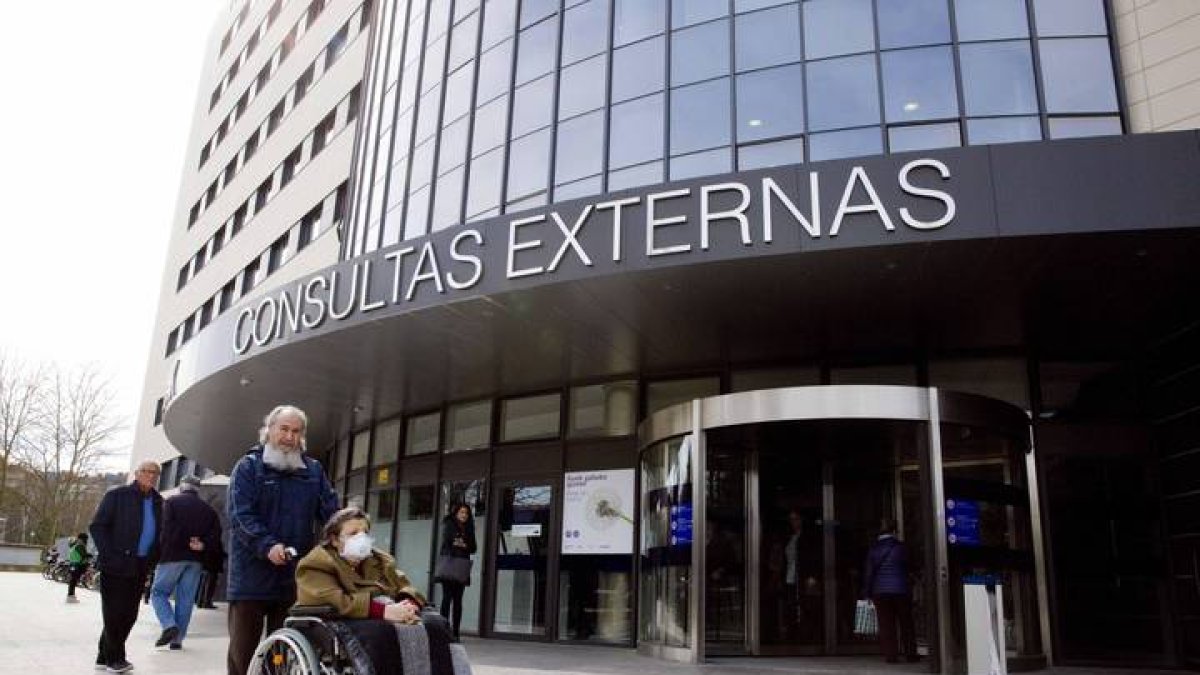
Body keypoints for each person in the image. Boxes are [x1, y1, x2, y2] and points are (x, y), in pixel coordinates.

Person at [226, 404, 339, 675]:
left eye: (296, 431)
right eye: (284, 429)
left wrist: (347, 532)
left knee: (283, 655)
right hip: (251, 578)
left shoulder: (313, 471)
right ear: (269, 430)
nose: (289, 437)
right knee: (244, 654)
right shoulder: (248, 468)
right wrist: (267, 545)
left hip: (292, 577)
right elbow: (240, 516)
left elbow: (332, 512)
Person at [296, 507, 462, 675]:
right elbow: (334, 599)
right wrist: (384, 611)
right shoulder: (316, 563)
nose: (361, 537)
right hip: (343, 616)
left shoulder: (379, 559)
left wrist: (409, 604)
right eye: (353, 533)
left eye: (365, 532)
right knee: (381, 634)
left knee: (436, 624)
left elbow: (403, 585)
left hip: (387, 608)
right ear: (334, 539)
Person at [90, 460, 163, 673]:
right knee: (114, 612)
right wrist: (109, 555)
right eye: (147, 472)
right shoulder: (117, 496)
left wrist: (153, 559)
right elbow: (97, 526)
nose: (151, 476)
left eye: (155, 473)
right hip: (115, 563)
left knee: (129, 613)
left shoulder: (159, 502)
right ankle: (115, 659)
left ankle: (103, 656)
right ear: (137, 473)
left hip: (140, 565)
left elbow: (160, 533)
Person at [150, 474, 221, 650]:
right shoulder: (209, 510)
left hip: (172, 556)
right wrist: (201, 545)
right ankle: (177, 640)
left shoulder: (171, 503)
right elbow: (216, 536)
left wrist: (182, 542)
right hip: (196, 559)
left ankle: (168, 625)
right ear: (198, 489)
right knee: (186, 599)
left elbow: (166, 530)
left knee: (159, 592)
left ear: (182, 486)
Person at [863, 518, 919, 664]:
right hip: (901, 590)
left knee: (887, 624)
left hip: (880, 591)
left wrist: (867, 592)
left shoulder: (874, 549)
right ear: (894, 531)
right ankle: (911, 654)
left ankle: (891, 656)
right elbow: (911, 567)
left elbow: (869, 573)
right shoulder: (902, 547)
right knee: (906, 623)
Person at [438, 503, 477, 639]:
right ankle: (443, 631)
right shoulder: (449, 524)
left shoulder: (470, 528)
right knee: (446, 599)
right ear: (456, 513)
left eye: (466, 513)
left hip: (461, 567)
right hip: (450, 565)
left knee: (458, 601)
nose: (464, 515)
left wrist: (462, 543)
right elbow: (449, 542)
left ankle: (456, 633)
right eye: (461, 512)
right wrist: (462, 544)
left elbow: (473, 547)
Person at [196, 527, 226, 609]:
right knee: (210, 584)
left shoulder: (205, 538)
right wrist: (223, 555)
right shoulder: (214, 540)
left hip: (206, 564)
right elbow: (217, 551)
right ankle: (206, 602)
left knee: (204, 583)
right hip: (212, 565)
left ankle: (200, 602)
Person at [65, 532, 91, 603]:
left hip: (72, 564)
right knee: (74, 581)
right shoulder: (80, 546)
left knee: (72, 581)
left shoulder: (74, 545)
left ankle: (71, 595)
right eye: (86, 539)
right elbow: (84, 555)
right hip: (77, 565)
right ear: (83, 539)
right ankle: (70, 597)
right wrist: (90, 555)